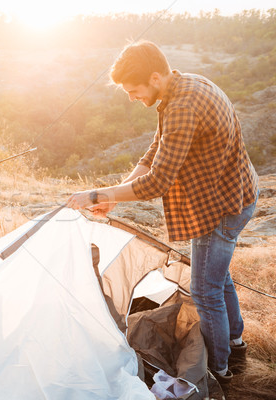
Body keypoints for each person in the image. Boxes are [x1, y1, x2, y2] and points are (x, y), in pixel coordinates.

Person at [65, 40, 258, 385]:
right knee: (217, 277)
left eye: (134, 89)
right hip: (230, 195)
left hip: (223, 206)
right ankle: (235, 345)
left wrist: (98, 193)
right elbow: (156, 149)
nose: (131, 97)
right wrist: (115, 195)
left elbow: (158, 182)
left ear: (154, 77)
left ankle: (220, 370)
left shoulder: (184, 105)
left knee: (204, 289)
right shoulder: (181, 87)